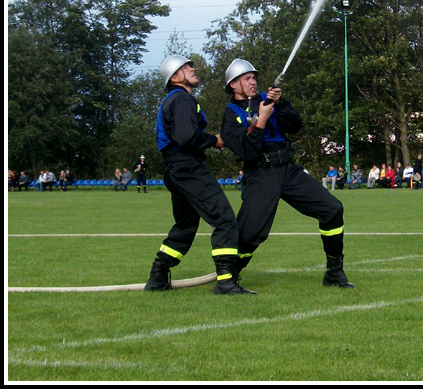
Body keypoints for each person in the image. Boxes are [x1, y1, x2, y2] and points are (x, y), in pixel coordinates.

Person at [220, 58, 353, 289]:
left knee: (332, 209)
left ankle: (334, 272)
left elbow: (295, 126)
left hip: (287, 170)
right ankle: (229, 278)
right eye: (247, 79)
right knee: (250, 233)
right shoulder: (231, 115)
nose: (253, 82)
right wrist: (261, 120)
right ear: (234, 85)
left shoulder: (269, 100)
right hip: (260, 173)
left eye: (254, 78)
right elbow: (247, 151)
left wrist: (280, 104)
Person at [145, 54, 254, 295]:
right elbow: (186, 137)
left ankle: (158, 275)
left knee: (185, 226)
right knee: (224, 220)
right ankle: (226, 281)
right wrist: (213, 140)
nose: (193, 69)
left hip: (174, 170)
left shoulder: (173, 101)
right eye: (186, 67)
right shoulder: (182, 100)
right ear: (175, 77)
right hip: (189, 168)